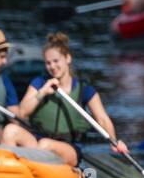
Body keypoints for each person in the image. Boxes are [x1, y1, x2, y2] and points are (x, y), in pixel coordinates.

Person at [7, 32, 126, 167]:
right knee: (10, 130)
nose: (52, 66)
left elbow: (102, 119)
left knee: (45, 145)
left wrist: (114, 141)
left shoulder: (85, 90)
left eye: (56, 61)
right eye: (48, 63)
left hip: (69, 148)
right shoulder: (40, 83)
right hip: (37, 141)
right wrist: (43, 92)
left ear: (67, 58)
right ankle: (10, 174)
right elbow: (22, 113)